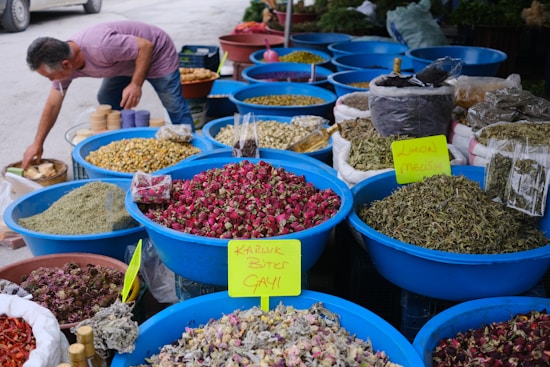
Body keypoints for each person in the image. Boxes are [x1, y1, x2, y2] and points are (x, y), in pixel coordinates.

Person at [22, 20, 194, 168]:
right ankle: (124, 147)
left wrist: (135, 84)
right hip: (124, 61)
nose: (50, 80)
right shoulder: (67, 63)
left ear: (66, 65)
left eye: (49, 76)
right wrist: (37, 143)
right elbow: (52, 105)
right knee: (107, 97)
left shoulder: (100, 46)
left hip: (157, 54)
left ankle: (195, 157)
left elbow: (146, 47)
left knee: (175, 107)